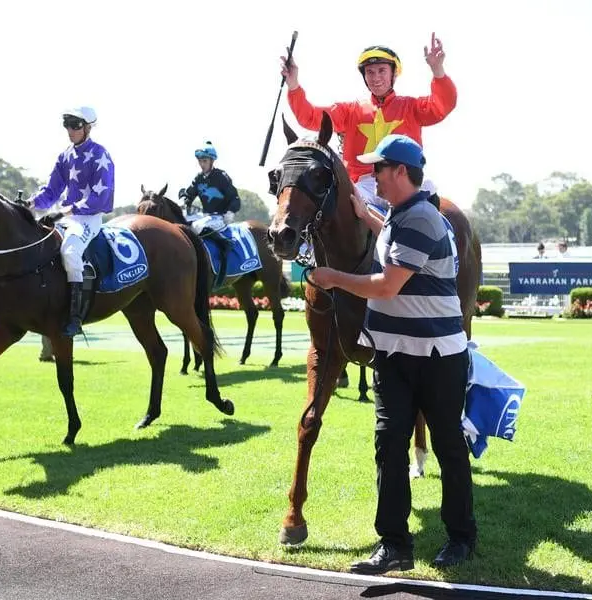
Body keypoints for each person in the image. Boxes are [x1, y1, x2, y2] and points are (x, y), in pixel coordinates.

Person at [310, 134, 476, 573]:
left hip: (436, 358)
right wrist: (366, 216)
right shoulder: (404, 216)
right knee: (389, 446)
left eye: (378, 169)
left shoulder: (420, 218)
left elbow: (386, 285)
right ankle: (394, 546)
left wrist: (333, 276)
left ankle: (461, 537)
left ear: (401, 172)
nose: (372, 176)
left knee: (447, 445)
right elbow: (392, 242)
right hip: (396, 355)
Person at [281, 33, 456, 212]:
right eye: (370, 72)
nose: (375, 77)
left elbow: (443, 105)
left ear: (393, 74)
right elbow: (309, 117)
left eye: (382, 70)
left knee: (428, 191)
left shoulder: (412, 106)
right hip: (364, 187)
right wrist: (293, 84)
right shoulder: (349, 111)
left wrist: (438, 70)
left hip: (404, 182)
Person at [26, 106, 115, 337]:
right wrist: (31, 204)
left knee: (70, 251)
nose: (70, 130)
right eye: (67, 124)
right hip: (66, 216)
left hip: (89, 218)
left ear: (87, 127)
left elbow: (100, 197)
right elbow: (51, 191)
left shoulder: (100, 154)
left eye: (75, 125)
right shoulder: (65, 155)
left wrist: (70, 209)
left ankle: (75, 316)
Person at [178, 141, 241, 235]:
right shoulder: (198, 178)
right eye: (199, 161)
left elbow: (235, 198)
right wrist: (183, 200)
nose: (202, 164)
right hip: (204, 216)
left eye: (205, 161)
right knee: (180, 224)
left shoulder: (221, 176)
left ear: (212, 160)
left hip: (221, 217)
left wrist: (231, 211)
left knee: (196, 227)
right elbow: (188, 195)